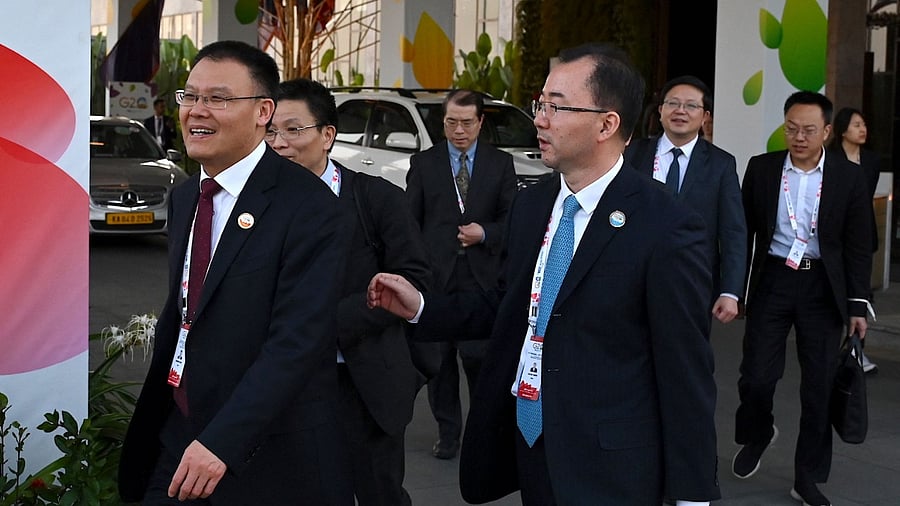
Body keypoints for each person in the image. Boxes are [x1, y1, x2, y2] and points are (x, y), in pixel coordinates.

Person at [369, 43, 719, 505]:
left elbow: (685, 371)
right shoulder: (533, 204)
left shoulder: (665, 224)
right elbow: (510, 302)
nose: (541, 118)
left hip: (611, 465)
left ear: (606, 124)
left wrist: (693, 495)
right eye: (541, 104)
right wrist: (422, 308)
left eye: (557, 106)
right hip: (531, 443)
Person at [118, 41, 352, 505]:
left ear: (264, 110)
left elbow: (296, 344)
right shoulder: (186, 198)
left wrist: (222, 440)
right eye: (190, 96)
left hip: (262, 454)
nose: (197, 111)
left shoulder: (310, 208)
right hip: (178, 435)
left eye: (219, 99)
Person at [267, 78, 431, 506]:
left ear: (327, 135)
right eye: (270, 131)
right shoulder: (255, 208)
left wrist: (330, 323)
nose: (278, 142)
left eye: (292, 129)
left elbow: (414, 280)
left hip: (364, 383)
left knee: (378, 493)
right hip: (285, 383)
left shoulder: (375, 199)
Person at [733, 91, 873, 506]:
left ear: (827, 131)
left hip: (822, 289)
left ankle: (807, 476)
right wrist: (733, 290)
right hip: (774, 279)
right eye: (791, 128)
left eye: (809, 130)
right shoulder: (762, 169)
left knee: (819, 387)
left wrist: (857, 304)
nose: (798, 137)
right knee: (756, 375)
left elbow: (858, 245)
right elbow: (743, 234)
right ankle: (757, 432)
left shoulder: (848, 178)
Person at [405, 89, 517, 460]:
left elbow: (511, 221)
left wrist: (484, 233)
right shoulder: (424, 163)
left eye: (467, 122)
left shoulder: (500, 164)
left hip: (481, 278)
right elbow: (410, 221)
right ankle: (448, 434)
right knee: (440, 365)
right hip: (437, 279)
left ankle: (482, 432)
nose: (458, 130)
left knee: (480, 362)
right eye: (451, 122)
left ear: (480, 122)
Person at [624, 75, 746, 324]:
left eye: (691, 105)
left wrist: (730, 291)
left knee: (687, 358)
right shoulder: (632, 155)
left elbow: (733, 231)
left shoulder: (721, 164)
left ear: (705, 117)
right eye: (673, 104)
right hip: (632, 277)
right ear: (660, 111)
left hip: (693, 281)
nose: (680, 111)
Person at [830, 107, 881, 374]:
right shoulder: (831, 157)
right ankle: (838, 347)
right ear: (841, 130)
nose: (862, 129)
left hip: (861, 234)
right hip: (834, 235)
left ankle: (857, 349)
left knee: (861, 293)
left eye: (863, 124)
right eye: (856, 125)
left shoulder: (872, 160)